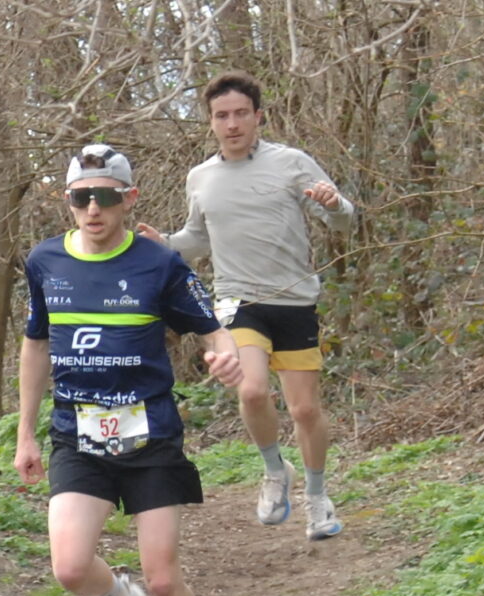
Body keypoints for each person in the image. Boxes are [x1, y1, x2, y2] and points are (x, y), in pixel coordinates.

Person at [15, 144, 247, 596]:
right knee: (70, 568)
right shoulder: (45, 262)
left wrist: (225, 356)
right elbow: (36, 345)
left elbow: (212, 328)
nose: (93, 209)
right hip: (77, 434)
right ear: (67, 201)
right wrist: (25, 432)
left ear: (129, 199)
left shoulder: (158, 263)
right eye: (81, 198)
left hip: (150, 436)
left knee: (164, 579)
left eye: (106, 197)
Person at [139, 73, 357, 539]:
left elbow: (342, 221)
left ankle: (317, 497)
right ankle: (275, 471)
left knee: (304, 410)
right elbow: (199, 238)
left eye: (241, 114)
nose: (232, 124)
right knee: (252, 391)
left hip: (294, 299)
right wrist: (166, 244)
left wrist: (334, 203)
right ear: (210, 121)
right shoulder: (200, 177)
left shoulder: (291, 163)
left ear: (258, 117)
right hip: (238, 300)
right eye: (222, 116)